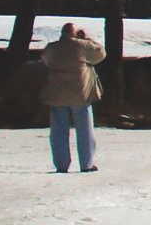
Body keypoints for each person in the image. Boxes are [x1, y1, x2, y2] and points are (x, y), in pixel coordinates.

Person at [41, 22, 105, 173]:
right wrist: (87, 38)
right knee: (85, 130)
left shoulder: (52, 48)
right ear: (75, 33)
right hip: (80, 94)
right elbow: (101, 53)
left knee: (58, 130)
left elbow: (46, 60)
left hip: (57, 94)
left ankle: (61, 165)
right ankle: (86, 163)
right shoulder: (83, 46)